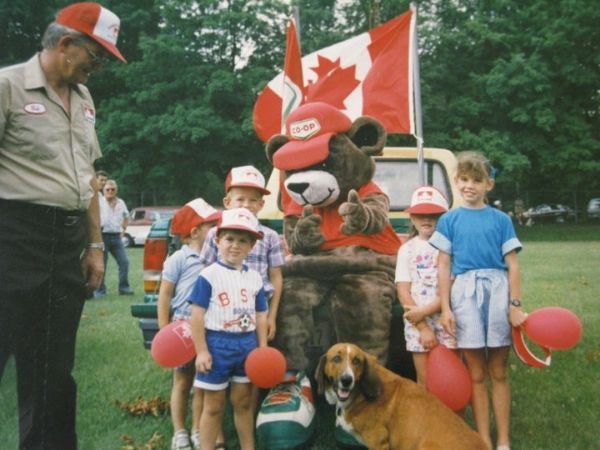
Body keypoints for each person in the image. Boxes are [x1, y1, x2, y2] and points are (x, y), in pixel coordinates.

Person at [0, 2, 126, 447]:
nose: (100, 67)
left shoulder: (85, 99)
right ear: (66, 45)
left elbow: (88, 178)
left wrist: (95, 247)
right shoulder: (7, 86)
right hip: (12, 237)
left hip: (65, 241)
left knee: (52, 368)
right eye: (97, 56)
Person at [429, 151, 528, 450]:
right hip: (464, 295)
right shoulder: (449, 220)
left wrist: (515, 305)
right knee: (476, 372)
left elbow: (512, 264)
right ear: (456, 182)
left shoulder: (500, 220)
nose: (469, 186)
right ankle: (483, 438)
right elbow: (444, 266)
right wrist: (445, 308)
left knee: (498, 370)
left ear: (489, 184)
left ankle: (503, 440)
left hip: (497, 292)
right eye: (463, 179)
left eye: (476, 180)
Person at [189, 208, 269, 450]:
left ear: (252, 245)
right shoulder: (208, 275)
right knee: (213, 406)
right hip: (217, 345)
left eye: (243, 240)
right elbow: (196, 316)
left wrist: (262, 348)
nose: (235, 245)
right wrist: (201, 351)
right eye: (229, 239)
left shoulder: (255, 278)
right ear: (217, 240)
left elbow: (261, 315)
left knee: (243, 403)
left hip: (246, 345)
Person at [157, 198, 221, 450]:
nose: (218, 229)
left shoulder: (216, 258)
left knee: (202, 383)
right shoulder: (179, 259)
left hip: (209, 328)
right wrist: (165, 330)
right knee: (182, 381)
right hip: (182, 329)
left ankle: (197, 429)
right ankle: (179, 432)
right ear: (195, 232)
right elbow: (165, 294)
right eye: (212, 225)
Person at [199, 165, 284, 342]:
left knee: (253, 358)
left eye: (253, 200)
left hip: (258, 309)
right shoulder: (215, 234)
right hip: (221, 309)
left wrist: (271, 317)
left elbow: (276, 277)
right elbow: (204, 274)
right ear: (227, 202)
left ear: (262, 204)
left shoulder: (270, 236)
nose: (246, 205)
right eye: (240, 199)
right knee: (221, 353)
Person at [395, 186, 457, 386]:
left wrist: (425, 311)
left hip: (447, 320)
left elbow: (452, 287)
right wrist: (422, 327)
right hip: (417, 326)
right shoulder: (407, 249)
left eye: (433, 215)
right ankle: (427, 417)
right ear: (412, 218)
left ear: (443, 217)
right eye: (420, 215)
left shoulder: (451, 248)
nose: (426, 220)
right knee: (425, 379)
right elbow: (403, 291)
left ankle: (453, 418)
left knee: (452, 378)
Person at [95, 179, 134, 297]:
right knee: (103, 264)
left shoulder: (121, 202)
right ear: (103, 190)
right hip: (103, 236)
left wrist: (123, 230)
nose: (110, 191)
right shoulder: (99, 201)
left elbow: (127, 217)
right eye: (107, 189)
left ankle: (124, 288)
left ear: (116, 190)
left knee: (124, 262)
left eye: (113, 189)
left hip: (116, 237)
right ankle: (100, 291)